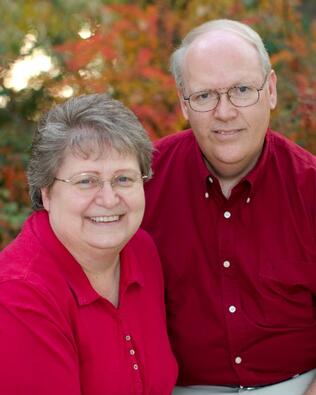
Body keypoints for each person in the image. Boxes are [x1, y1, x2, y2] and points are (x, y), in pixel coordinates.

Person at [141, 19, 316, 395]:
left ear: (269, 90)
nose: (224, 112)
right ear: (183, 103)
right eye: (205, 96)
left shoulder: (311, 186)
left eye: (241, 90)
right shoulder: (140, 184)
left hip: (298, 385)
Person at [0, 93, 177, 394]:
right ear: (47, 192)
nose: (109, 199)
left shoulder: (141, 250)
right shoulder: (19, 295)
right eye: (86, 181)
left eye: (124, 179)